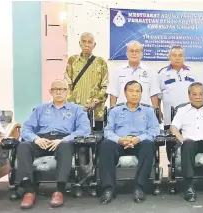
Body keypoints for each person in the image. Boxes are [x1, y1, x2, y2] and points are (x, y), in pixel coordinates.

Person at [17, 80, 91, 209]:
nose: (58, 92)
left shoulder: (77, 110)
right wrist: (35, 139)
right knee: (23, 146)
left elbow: (84, 130)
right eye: (55, 89)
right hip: (42, 140)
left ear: (67, 91)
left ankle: (59, 190)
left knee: (66, 147)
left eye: (61, 89)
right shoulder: (40, 109)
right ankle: (29, 190)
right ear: (50, 92)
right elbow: (26, 128)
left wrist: (64, 139)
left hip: (63, 140)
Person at [99, 80, 160, 204]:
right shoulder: (115, 111)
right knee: (106, 145)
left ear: (141, 94)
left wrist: (138, 139)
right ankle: (108, 188)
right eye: (131, 91)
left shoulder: (148, 111)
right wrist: (120, 140)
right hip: (120, 141)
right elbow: (108, 131)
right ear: (125, 93)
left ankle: (139, 187)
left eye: (138, 91)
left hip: (139, 141)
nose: (134, 94)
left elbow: (154, 129)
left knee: (148, 144)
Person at [157, 45, 199, 161]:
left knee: (188, 142)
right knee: (171, 144)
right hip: (169, 117)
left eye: (180, 55)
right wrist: (158, 110)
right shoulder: (162, 73)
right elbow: (157, 94)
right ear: (169, 57)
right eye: (174, 55)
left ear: (184, 57)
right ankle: (171, 167)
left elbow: (198, 93)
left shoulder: (191, 72)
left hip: (189, 116)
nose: (177, 58)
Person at [65, 32, 109, 130]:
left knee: (96, 139)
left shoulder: (100, 62)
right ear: (80, 43)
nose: (87, 44)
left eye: (90, 42)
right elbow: (67, 84)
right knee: (76, 138)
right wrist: (73, 105)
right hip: (76, 110)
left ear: (94, 45)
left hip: (96, 111)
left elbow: (105, 86)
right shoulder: (72, 60)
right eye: (84, 41)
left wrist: (94, 102)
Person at [107, 40, 160, 108]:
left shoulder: (150, 72)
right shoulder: (117, 72)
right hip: (122, 112)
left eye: (137, 51)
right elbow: (113, 94)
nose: (134, 53)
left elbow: (154, 94)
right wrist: (112, 112)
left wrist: (155, 113)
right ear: (127, 53)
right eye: (131, 51)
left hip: (143, 112)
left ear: (141, 54)